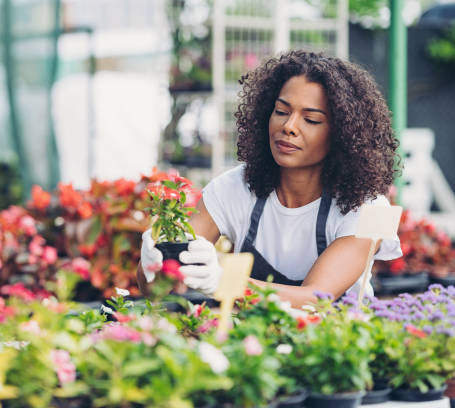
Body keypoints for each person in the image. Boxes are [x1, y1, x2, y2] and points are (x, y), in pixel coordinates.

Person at [137, 50, 403, 307]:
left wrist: (225, 280)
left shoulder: (368, 208)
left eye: (310, 119)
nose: (289, 127)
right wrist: (154, 264)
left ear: (342, 135)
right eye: (281, 111)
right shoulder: (233, 188)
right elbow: (159, 287)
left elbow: (315, 299)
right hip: (251, 342)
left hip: (335, 344)